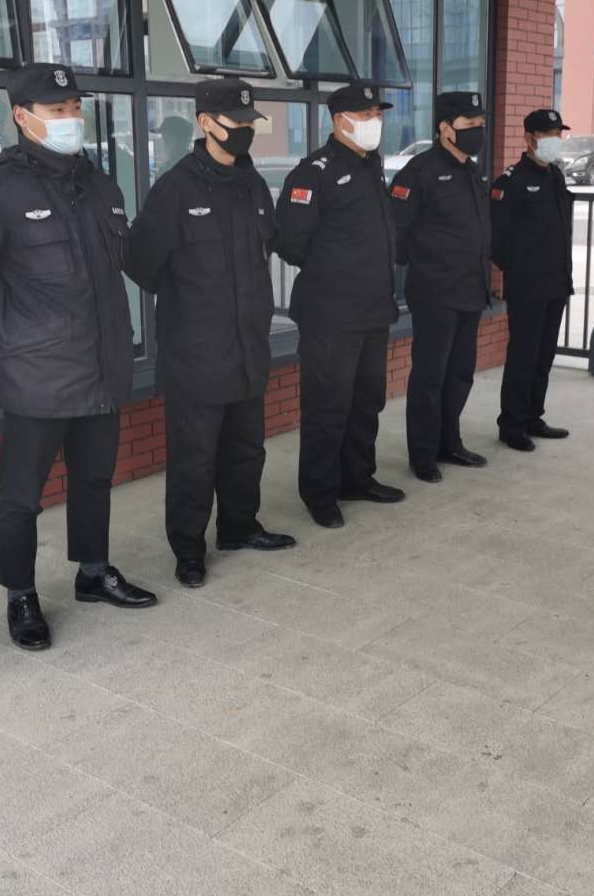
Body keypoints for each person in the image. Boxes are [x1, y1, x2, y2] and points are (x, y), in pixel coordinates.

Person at [0, 63, 156, 652]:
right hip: (38, 374)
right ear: (22, 117)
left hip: (102, 366)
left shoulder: (101, 187)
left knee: (94, 479)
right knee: (20, 496)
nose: (70, 119)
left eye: (75, 108)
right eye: (57, 110)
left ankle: (93, 572)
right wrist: (22, 323)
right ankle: (21, 594)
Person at [126, 79, 296, 587]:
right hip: (196, 355)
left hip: (247, 348)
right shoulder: (175, 189)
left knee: (246, 449)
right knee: (194, 460)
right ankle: (188, 549)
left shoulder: (252, 184)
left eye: (249, 123)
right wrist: (190, 307)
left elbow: (266, 248)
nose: (245, 130)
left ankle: (239, 527)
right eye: (235, 123)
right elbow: (139, 260)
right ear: (205, 123)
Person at [274, 83, 405, 529]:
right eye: (366, 115)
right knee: (327, 407)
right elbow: (290, 242)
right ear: (340, 120)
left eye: (378, 115)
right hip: (331, 315)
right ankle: (320, 492)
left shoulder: (371, 166)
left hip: (373, 311)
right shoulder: (314, 172)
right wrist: (335, 271)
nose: (375, 123)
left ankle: (357, 478)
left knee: (366, 402)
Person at [389, 91, 493, 483]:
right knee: (430, 377)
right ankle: (423, 454)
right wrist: (425, 264)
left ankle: (450, 442)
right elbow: (397, 234)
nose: (478, 131)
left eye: (481, 124)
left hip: (471, 290)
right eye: (470, 124)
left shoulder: (472, 171)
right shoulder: (419, 172)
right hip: (435, 294)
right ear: (445, 128)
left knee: (460, 373)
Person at [491, 108, 575, 452]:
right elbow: (496, 240)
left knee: (543, 357)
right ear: (529, 138)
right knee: (523, 357)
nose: (555, 140)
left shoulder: (555, 175)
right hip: (528, 287)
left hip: (557, 283)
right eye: (547, 135)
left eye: (558, 134)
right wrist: (521, 271)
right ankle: (512, 425)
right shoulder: (511, 181)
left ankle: (532, 416)